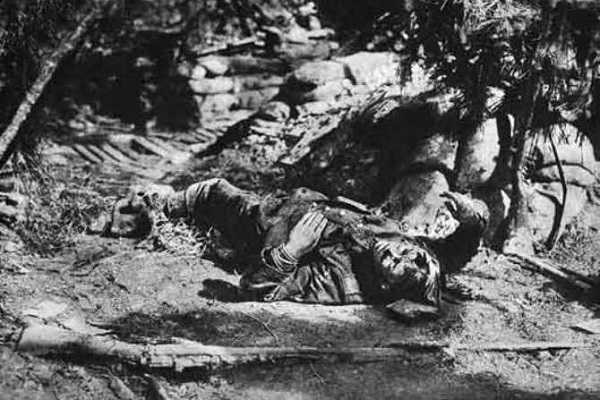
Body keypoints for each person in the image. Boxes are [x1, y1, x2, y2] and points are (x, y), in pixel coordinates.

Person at [106, 178, 488, 318]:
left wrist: (291, 249)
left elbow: (257, 289)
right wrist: (472, 216)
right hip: (302, 200)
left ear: (386, 287)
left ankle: (154, 207)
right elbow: (459, 248)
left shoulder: (340, 284)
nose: (398, 254)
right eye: (412, 254)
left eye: (396, 266)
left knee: (213, 192)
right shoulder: (416, 254)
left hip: (263, 225)